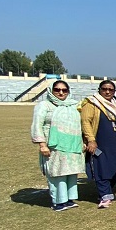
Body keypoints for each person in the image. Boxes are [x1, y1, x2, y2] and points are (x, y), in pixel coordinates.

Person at [30, 80, 86, 211]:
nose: (61, 92)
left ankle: (69, 199)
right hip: (54, 146)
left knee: (71, 172)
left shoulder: (72, 105)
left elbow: (79, 125)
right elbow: (37, 124)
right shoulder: (44, 105)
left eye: (64, 90)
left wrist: (82, 141)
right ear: (51, 90)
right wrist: (42, 145)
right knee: (57, 173)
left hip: (72, 145)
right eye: (57, 90)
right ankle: (58, 201)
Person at [81, 80, 116, 208]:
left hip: (115, 142)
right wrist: (91, 140)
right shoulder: (91, 103)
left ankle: (108, 192)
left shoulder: (115, 104)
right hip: (99, 141)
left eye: (110, 89)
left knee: (115, 167)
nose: (107, 92)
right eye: (104, 89)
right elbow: (85, 122)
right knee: (101, 166)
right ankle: (104, 195)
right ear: (99, 89)